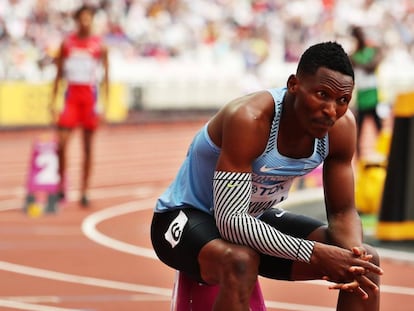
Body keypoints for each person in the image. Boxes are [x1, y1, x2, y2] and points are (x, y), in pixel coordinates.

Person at [151, 41, 383, 311]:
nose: (331, 110)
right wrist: (315, 252)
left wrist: (351, 258)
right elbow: (230, 221)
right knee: (240, 261)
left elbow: (343, 212)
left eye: (343, 100)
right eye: (322, 94)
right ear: (294, 84)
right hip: (187, 216)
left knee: (366, 264)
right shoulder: (250, 119)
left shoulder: (341, 130)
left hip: (251, 217)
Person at [49, 4, 109, 207]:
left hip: (89, 102)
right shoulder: (67, 44)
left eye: (88, 19)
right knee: (61, 144)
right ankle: (60, 185)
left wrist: (105, 104)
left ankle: (84, 190)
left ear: (92, 21)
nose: (85, 22)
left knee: (88, 148)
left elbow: (106, 78)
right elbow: (58, 74)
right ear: (77, 20)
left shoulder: (100, 46)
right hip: (71, 100)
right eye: (81, 18)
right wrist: (53, 100)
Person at [350, 26, 383, 158]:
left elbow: (372, 66)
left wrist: (359, 63)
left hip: (372, 94)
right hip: (363, 95)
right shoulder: (355, 55)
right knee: (360, 127)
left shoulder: (369, 52)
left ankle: (384, 149)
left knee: (377, 125)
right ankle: (358, 156)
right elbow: (370, 65)